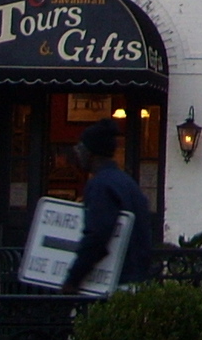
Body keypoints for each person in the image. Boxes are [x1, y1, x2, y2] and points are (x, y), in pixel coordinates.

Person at [61, 119, 159, 293]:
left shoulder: (100, 185)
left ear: (91, 153)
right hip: (136, 280)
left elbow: (97, 236)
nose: (77, 152)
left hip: (116, 282)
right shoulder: (127, 183)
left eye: (81, 147)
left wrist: (73, 279)